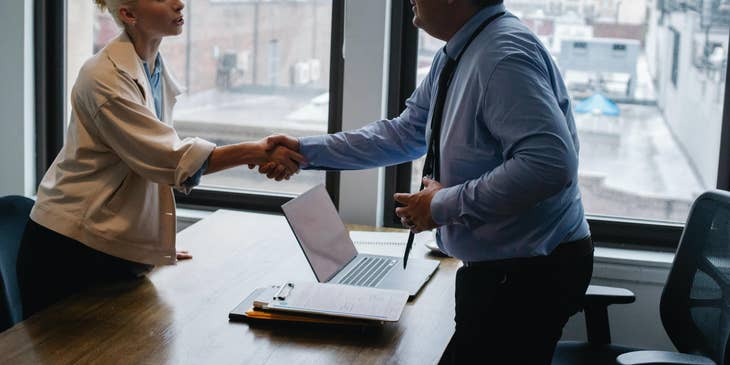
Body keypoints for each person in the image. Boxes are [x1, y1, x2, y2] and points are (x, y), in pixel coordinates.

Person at [261, 0, 593, 363]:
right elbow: (404, 134)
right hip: (504, 269)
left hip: (526, 275)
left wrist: (440, 205)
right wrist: (305, 152)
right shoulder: (461, 51)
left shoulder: (502, 57)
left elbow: (548, 165)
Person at [17, 0, 304, 319]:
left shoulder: (150, 66)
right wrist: (256, 151)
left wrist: (150, 243)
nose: (179, 3)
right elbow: (168, 160)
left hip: (104, 243)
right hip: (69, 249)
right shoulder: (105, 78)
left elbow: (147, 165)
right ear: (129, 14)